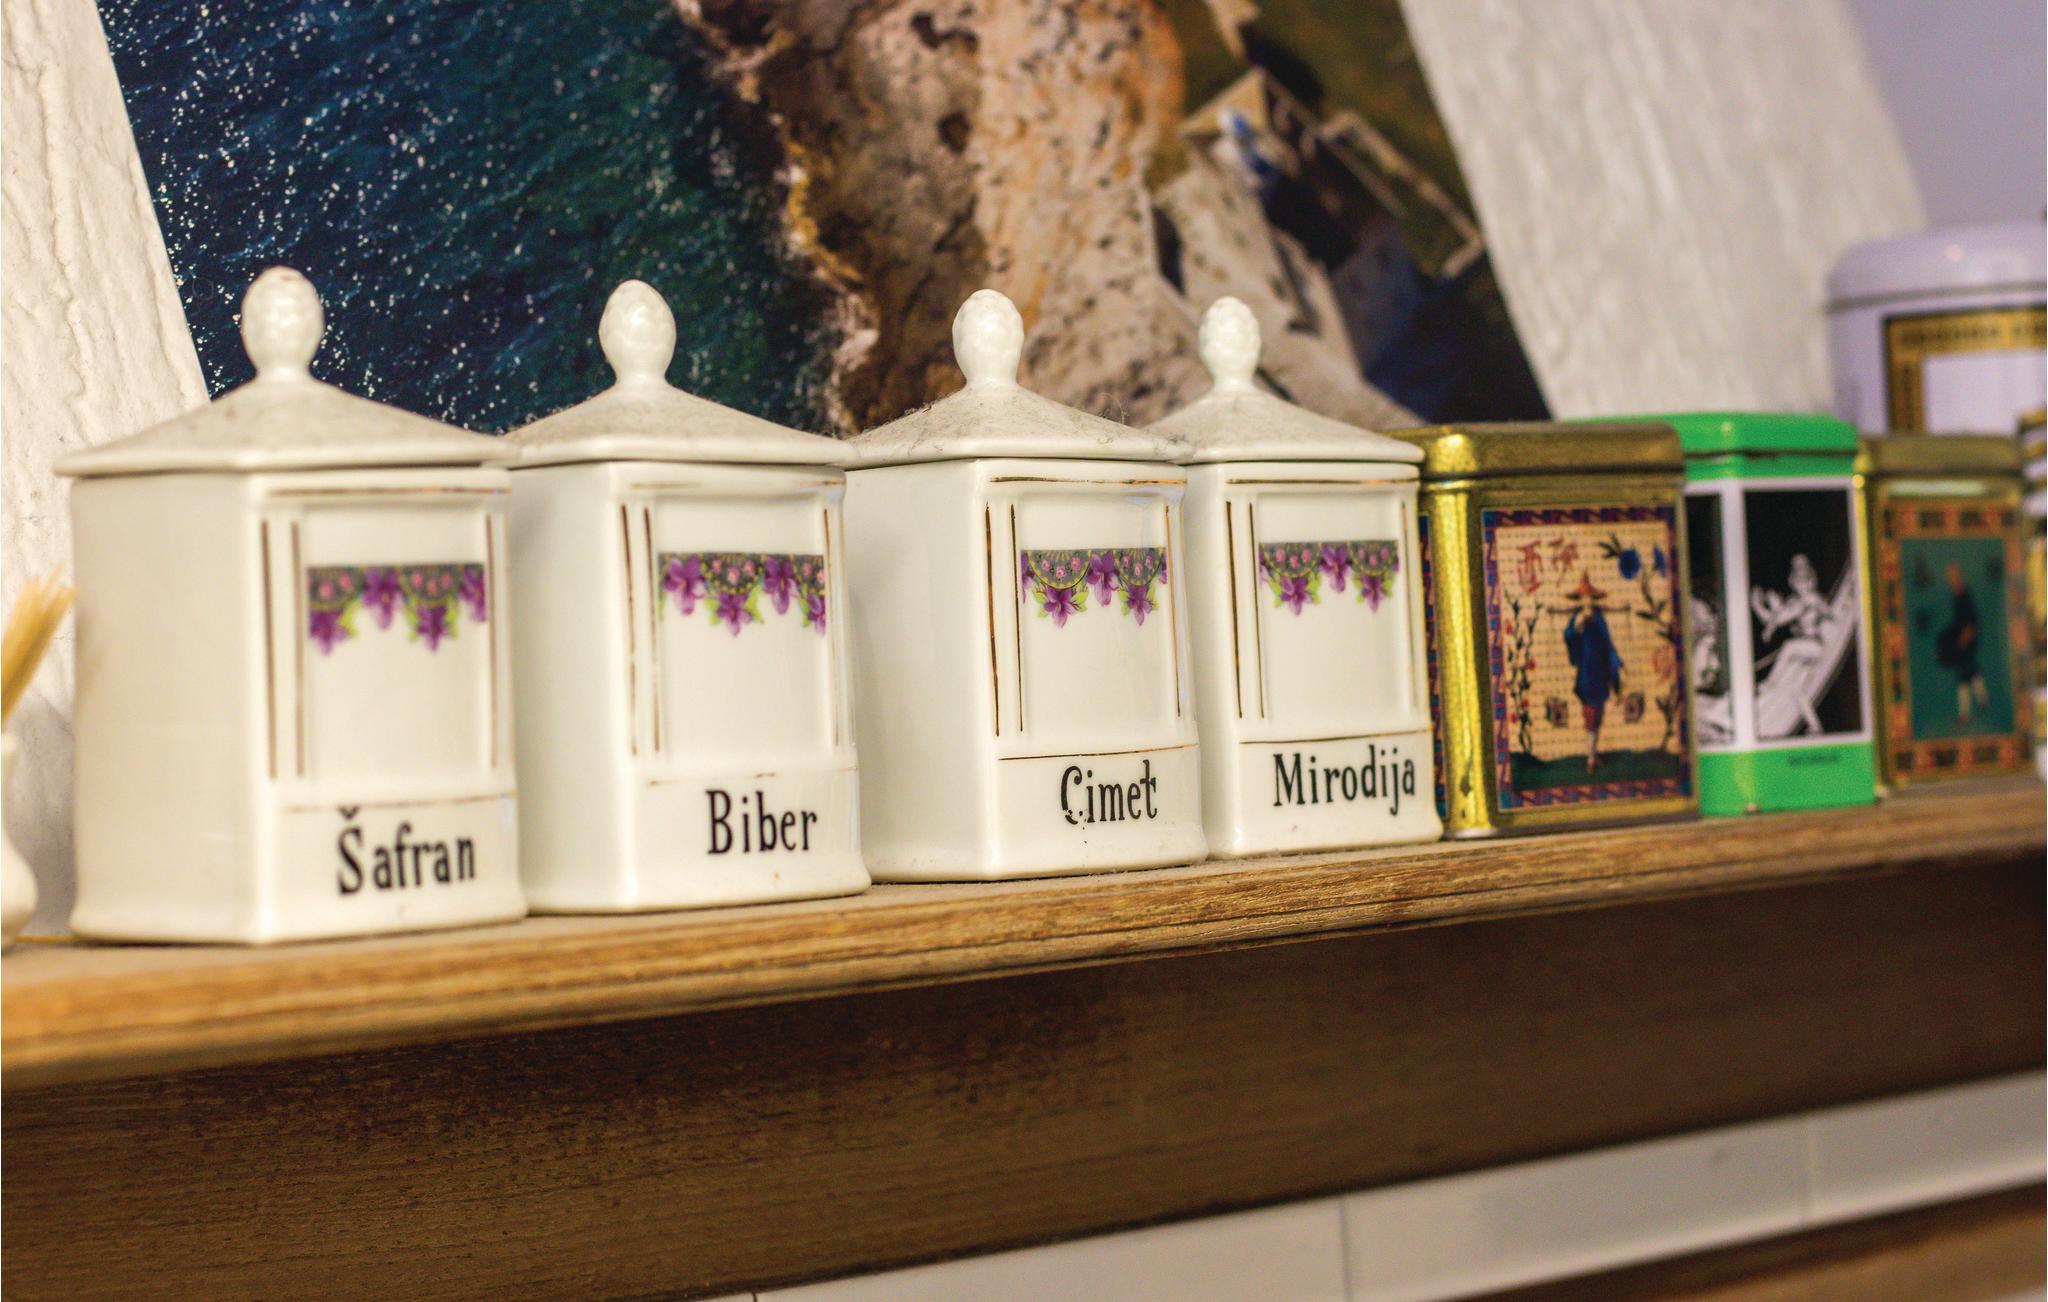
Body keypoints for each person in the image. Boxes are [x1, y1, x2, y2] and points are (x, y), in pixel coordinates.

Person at [1750, 554, 1830, 736]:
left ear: (1812, 580)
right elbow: (1774, 619)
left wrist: (1773, 611)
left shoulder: (1811, 598)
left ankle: (1770, 683)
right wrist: (1759, 606)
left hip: (1814, 646)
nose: (1802, 584)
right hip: (1806, 650)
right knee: (1798, 692)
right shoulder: (1795, 601)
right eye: (1798, 580)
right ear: (1792, 582)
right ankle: (1815, 727)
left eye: (1806, 579)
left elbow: (1781, 618)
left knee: (1789, 646)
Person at [1562, 571, 1624, 773]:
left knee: (1599, 715)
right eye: (1584, 598)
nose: (1587, 601)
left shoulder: (1599, 619)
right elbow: (1569, 636)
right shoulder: (1577, 619)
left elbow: (1607, 644)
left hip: (1601, 672)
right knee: (1589, 714)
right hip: (1587, 673)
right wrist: (1578, 625)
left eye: (1590, 597)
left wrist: (1617, 664)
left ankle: (1594, 754)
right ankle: (1590, 758)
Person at [1936, 561, 1988, 722]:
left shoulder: (1965, 594)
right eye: (1949, 576)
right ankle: (1982, 701)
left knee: (1964, 676)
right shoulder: (1958, 594)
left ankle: (1966, 714)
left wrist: (1964, 638)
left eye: (1952, 575)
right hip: (1962, 638)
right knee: (1970, 672)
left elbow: (1971, 619)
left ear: (1958, 576)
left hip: (1966, 639)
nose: (1950, 579)